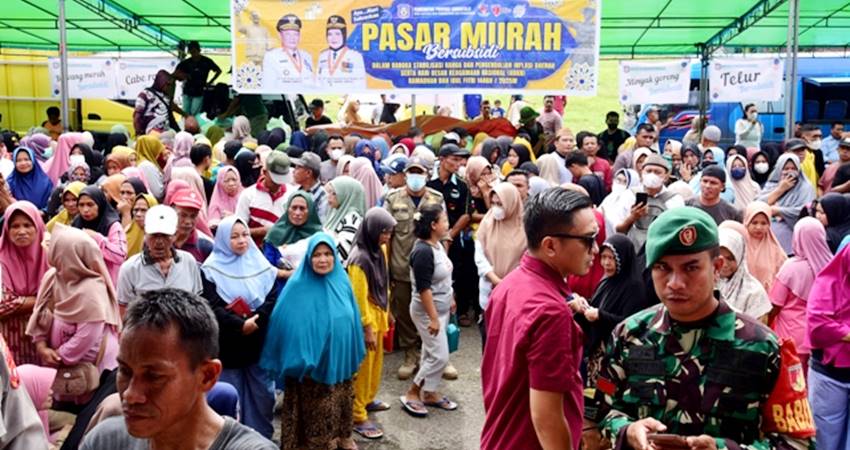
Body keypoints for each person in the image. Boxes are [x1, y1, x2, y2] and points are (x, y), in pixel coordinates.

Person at [597, 207, 814, 450]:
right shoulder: (628, 335)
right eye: (662, 268)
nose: (675, 283)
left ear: (717, 266)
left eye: (691, 268)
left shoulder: (765, 347)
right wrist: (627, 431)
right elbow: (603, 407)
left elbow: (797, 443)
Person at [81, 288, 276, 450]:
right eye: (125, 371)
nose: (130, 395)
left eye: (154, 377)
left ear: (207, 376)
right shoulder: (105, 441)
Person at [481, 188, 596, 450]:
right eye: (588, 239)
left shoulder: (509, 285)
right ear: (551, 245)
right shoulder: (551, 312)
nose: (596, 249)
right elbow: (547, 418)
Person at [260, 233, 365, 450]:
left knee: (340, 404)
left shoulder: (341, 280)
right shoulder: (297, 285)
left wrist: (353, 350)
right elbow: (283, 323)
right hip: (310, 372)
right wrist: (303, 354)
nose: (323, 259)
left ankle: (340, 437)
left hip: (339, 364)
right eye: (317, 255)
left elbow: (353, 318)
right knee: (316, 415)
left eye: (328, 254)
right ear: (308, 258)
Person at [201, 216, 279, 438]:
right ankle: (233, 440)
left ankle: (261, 438)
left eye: (244, 234)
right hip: (229, 343)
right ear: (224, 240)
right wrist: (240, 325)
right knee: (230, 395)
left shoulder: (261, 264)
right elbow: (212, 304)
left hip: (258, 340)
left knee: (263, 394)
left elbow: (272, 297)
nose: (241, 240)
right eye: (233, 236)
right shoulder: (210, 269)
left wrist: (257, 320)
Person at [26, 225, 120, 403]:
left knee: (88, 413)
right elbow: (39, 312)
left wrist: (58, 355)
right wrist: (41, 346)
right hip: (62, 367)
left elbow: (86, 336)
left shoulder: (92, 289)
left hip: (92, 368)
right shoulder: (53, 277)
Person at [384, 157, 445, 380]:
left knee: (432, 310)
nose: (415, 177)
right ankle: (410, 354)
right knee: (405, 313)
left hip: (429, 268)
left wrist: (444, 265)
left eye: (420, 173)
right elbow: (386, 236)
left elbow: (444, 234)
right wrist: (386, 268)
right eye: (412, 173)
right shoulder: (392, 198)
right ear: (406, 174)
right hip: (401, 266)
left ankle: (433, 354)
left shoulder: (436, 198)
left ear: (427, 175)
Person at [400, 204, 459, 417]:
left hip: (440, 309)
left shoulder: (436, 245)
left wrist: (450, 297)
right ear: (433, 225)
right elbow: (424, 288)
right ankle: (413, 392)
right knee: (440, 357)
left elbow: (442, 278)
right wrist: (433, 318)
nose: (447, 224)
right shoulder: (423, 251)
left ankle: (430, 392)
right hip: (427, 312)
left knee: (430, 352)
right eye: (444, 221)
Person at [347, 208, 396, 440]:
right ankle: (357, 414)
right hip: (366, 322)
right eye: (384, 232)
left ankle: (367, 399)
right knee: (363, 367)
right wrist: (366, 326)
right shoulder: (360, 259)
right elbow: (358, 298)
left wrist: (388, 311)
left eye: (389, 232)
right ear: (373, 230)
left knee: (376, 364)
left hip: (379, 315)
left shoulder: (380, 250)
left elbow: (384, 283)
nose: (387, 237)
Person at [769, 217, 832, 374]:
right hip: (822, 336)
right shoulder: (832, 265)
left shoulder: (791, 268)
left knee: (793, 385)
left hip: (791, 338)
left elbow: (775, 304)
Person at [428, 145, 473, 353]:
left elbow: (466, 214)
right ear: (442, 159)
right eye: (454, 159)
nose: (458, 164)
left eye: (460, 160)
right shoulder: (429, 182)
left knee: (454, 276)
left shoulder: (462, 185)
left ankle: (455, 315)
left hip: (453, 240)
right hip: (429, 239)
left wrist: (449, 235)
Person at [117, 204, 202, 312]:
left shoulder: (188, 262)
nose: (159, 242)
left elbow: (195, 303)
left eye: (165, 235)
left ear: (175, 235)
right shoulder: (130, 268)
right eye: (154, 235)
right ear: (145, 234)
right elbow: (123, 310)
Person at [806, 242, 850, 450]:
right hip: (828, 376)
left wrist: (840, 331)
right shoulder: (827, 284)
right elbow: (818, 324)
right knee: (824, 437)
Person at [0, 202, 48, 366]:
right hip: (8, 343)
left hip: (44, 344)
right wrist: (42, 301)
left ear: (38, 227)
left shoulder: (51, 257)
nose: (21, 231)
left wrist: (21, 302)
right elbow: (2, 304)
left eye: (28, 225)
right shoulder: (1, 257)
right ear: (7, 229)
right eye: (15, 226)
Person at [474, 182, 525, 330]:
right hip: (490, 288)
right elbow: (479, 256)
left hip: (516, 291)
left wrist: (508, 283)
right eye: (493, 203)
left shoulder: (525, 227)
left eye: (500, 204)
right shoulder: (488, 222)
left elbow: (528, 259)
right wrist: (495, 279)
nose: (496, 208)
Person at [613, 154, 684, 250]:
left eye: (657, 172)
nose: (652, 175)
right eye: (649, 171)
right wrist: (632, 217)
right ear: (642, 173)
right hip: (634, 250)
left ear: (666, 176)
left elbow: (677, 231)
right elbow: (619, 229)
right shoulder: (629, 195)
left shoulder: (674, 200)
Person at [756, 153, 815, 254]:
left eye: (793, 168)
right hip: (767, 241)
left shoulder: (805, 187)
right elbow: (756, 207)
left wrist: (778, 211)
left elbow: (806, 211)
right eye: (786, 168)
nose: (789, 172)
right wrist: (780, 189)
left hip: (791, 242)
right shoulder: (772, 184)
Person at [72, 186, 128, 286]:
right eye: (81, 205)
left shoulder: (112, 225)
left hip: (108, 283)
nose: (85, 210)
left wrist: (97, 238)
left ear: (100, 204)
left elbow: (120, 255)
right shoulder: (77, 223)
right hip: (82, 283)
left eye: (90, 205)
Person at [235, 152, 294, 242]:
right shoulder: (248, 195)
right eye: (274, 180)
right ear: (264, 172)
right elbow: (239, 231)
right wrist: (263, 231)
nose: (278, 184)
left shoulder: (293, 195)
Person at [716, 226, 772, 321]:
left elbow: (758, 330)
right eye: (720, 258)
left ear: (740, 258)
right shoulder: (705, 284)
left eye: (730, 258)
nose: (724, 264)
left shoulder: (754, 292)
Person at [263, 192, 324, 277]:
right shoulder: (274, 234)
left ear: (310, 211)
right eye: (294, 208)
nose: (297, 213)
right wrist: (286, 274)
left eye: (302, 208)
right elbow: (266, 268)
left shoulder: (319, 235)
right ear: (288, 209)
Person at [742, 201, 787, 291]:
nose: (759, 227)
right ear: (746, 222)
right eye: (754, 223)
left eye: (763, 223)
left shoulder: (776, 250)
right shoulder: (740, 245)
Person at [262, 14, 314, 90]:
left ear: (299, 36)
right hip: (285, 99)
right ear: (280, 35)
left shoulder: (307, 56)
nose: (292, 38)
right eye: (288, 34)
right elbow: (268, 87)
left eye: (295, 34)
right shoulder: (272, 56)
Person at [316, 15, 366, 90]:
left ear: (344, 35)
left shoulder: (355, 56)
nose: (333, 38)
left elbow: (360, 85)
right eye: (330, 34)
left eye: (337, 34)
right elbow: (318, 82)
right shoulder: (322, 56)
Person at [174, 41, 221, 117]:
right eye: (191, 52)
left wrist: (210, 82)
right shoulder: (186, 62)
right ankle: (185, 127)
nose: (193, 54)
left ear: (199, 50)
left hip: (199, 91)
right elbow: (176, 73)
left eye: (194, 52)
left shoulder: (207, 61)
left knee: (194, 113)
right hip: (187, 90)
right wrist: (184, 76)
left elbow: (218, 71)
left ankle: (193, 127)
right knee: (185, 112)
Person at [324, 176, 366, 262]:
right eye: (328, 193)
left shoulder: (352, 220)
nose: (329, 197)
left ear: (347, 195)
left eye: (334, 193)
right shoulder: (336, 212)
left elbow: (342, 253)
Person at [133, 70, 183, 136]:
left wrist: (179, 132)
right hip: (149, 135)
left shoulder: (166, 97)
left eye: (169, 85)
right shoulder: (144, 94)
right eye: (167, 84)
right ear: (160, 82)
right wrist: (139, 133)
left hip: (165, 136)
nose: (168, 87)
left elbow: (170, 118)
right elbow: (137, 117)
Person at [7, 146, 53, 212]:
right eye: (18, 160)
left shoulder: (45, 181)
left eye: (26, 159)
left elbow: (51, 202)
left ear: (33, 160)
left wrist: (43, 212)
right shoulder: (9, 182)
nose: (23, 163)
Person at [291, 152, 328, 222]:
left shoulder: (323, 197)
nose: (293, 171)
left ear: (308, 173)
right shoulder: (295, 191)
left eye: (298, 168)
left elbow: (321, 223)